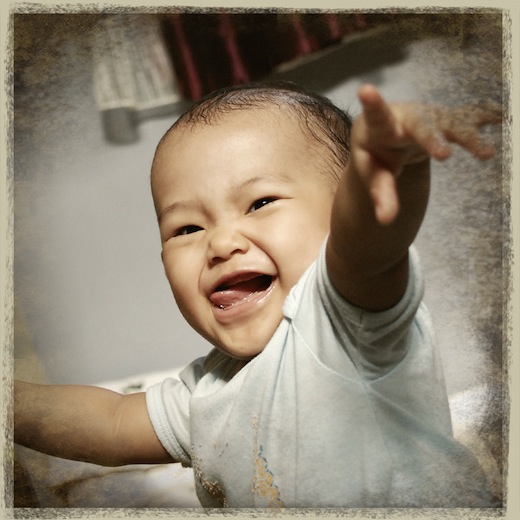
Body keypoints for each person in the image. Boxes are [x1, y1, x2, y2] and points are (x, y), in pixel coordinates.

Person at [14, 81, 502, 508]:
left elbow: (367, 245)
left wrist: (387, 167)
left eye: (260, 202)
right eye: (186, 228)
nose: (220, 243)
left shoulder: (345, 321)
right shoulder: (208, 390)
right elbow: (113, 422)